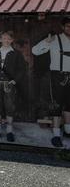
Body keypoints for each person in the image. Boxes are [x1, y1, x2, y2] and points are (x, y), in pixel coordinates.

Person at [31, 17, 70, 148]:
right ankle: (56, 135)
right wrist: (46, 42)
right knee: (56, 105)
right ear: (63, 27)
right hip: (57, 76)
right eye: (68, 26)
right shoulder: (54, 39)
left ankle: (68, 131)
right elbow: (35, 51)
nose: (69, 28)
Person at [0, 31, 26, 143]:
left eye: (9, 39)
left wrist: (15, 80)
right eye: (4, 38)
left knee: (10, 107)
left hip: (9, 85)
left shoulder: (16, 53)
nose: (6, 40)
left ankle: (9, 131)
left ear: (12, 40)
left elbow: (22, 69)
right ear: (0, 39)